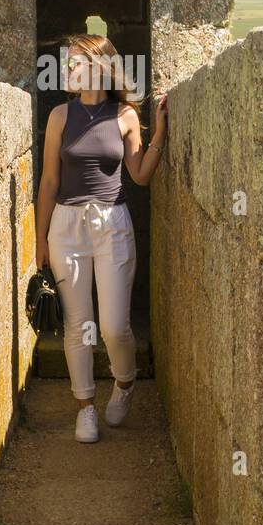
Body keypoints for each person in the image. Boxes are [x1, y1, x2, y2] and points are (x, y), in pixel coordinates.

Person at [35, 33, 168, 442]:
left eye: (76, 62)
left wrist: (159, 132)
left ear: (100, 67)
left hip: (112, 224)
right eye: (68, 62)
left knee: (113, 327)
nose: (68, 70)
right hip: (67, 225)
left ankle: (124, 384)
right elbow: (50, 181)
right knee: (78, 324)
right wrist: (40, 240)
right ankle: (85, 407)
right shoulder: (60, 116)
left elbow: (140, 175)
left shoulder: (125, 115)